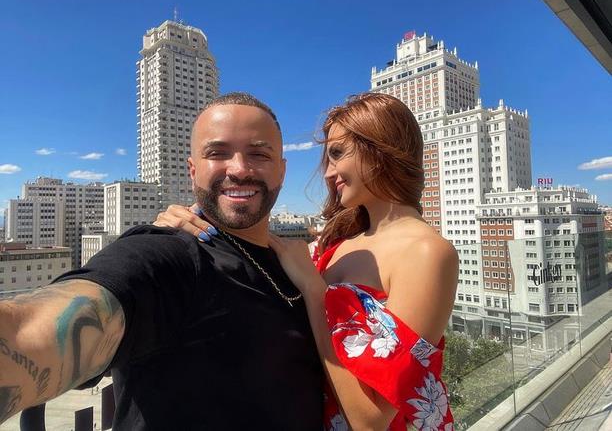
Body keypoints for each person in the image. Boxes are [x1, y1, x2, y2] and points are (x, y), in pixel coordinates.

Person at [0, 92, 324, 430]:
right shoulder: (172, 254)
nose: (240, 169)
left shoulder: (296, 264)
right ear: (192, 170)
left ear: (282, 170)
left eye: (259, 153)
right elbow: (36, 329)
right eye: (217, 153)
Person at [158, 93, 458, 430]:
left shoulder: (426, 252)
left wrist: (316, 292)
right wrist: (189, 220)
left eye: (337, 154)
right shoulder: (340, 240)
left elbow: (371, 421)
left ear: (379, 150)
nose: (328, 172)